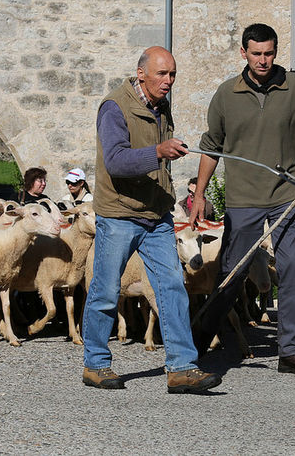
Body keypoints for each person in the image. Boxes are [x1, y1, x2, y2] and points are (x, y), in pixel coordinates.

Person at [189, 23, 295, 376]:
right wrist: (198, 194)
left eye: (269, 53)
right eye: (256, 53)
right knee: (231, 272)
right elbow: (211, 147)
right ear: (243, 53)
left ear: (275, 51)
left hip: (290, 195)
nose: (263, 60)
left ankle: (290, 351)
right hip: (243, 198)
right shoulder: (226, 94)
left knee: (290, 270)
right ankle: (196, 343)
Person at [83, 45, 222, 394]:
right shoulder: (114, 107)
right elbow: (115, 162)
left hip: (156, 213)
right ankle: (96, 364)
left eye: (173, 74)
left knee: (173, 286)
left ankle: (181, 367)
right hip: (119, 213)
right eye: (162, 74)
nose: (168, 81)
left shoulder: (161, 106)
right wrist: (158, 152)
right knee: (106, 289)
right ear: (141, 72)